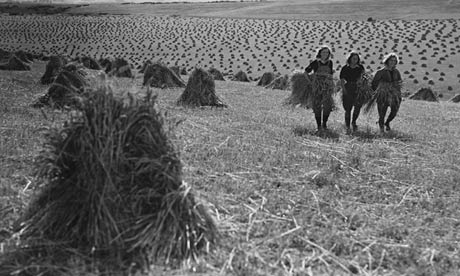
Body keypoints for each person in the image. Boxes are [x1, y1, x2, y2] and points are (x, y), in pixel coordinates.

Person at [366, 53, 402, 132]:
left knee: (394, 111)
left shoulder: (396, 72)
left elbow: (399, 82)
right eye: (391, 60)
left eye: (394, 61)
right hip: (382, 95)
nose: (392, 62)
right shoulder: (380, 72)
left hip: (394, 95)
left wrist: (398, 92)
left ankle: (387, 122)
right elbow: (374, 83)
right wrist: (379, 90)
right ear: (387, 61)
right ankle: (381, 130)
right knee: (382, 113)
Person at [304, 45, 335, 132]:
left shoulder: (330, 63)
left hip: (327, 87)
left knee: (327, 106)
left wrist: (330, 82)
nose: (325, 54)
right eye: (323, 52)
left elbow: (331, 74)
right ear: (320, 53)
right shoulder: (315, 62)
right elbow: (306, 72)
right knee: (317, 106)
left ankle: (324, 124)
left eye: (327, 52)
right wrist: (310, 82)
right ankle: (319, 126)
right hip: (317, 87)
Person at [339, 52, 366, 132]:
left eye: (357, 58)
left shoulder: (360, 67)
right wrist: (343, 89)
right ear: (350, 58)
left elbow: (364, 77)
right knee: (348, 108)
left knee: (357, 107)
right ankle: (347, 126)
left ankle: (354, 122)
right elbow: (342, 80)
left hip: (358, 89)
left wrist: (362, 85)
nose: (355, 60)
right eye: (353, 58)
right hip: (348, 88)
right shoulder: (345, 68)